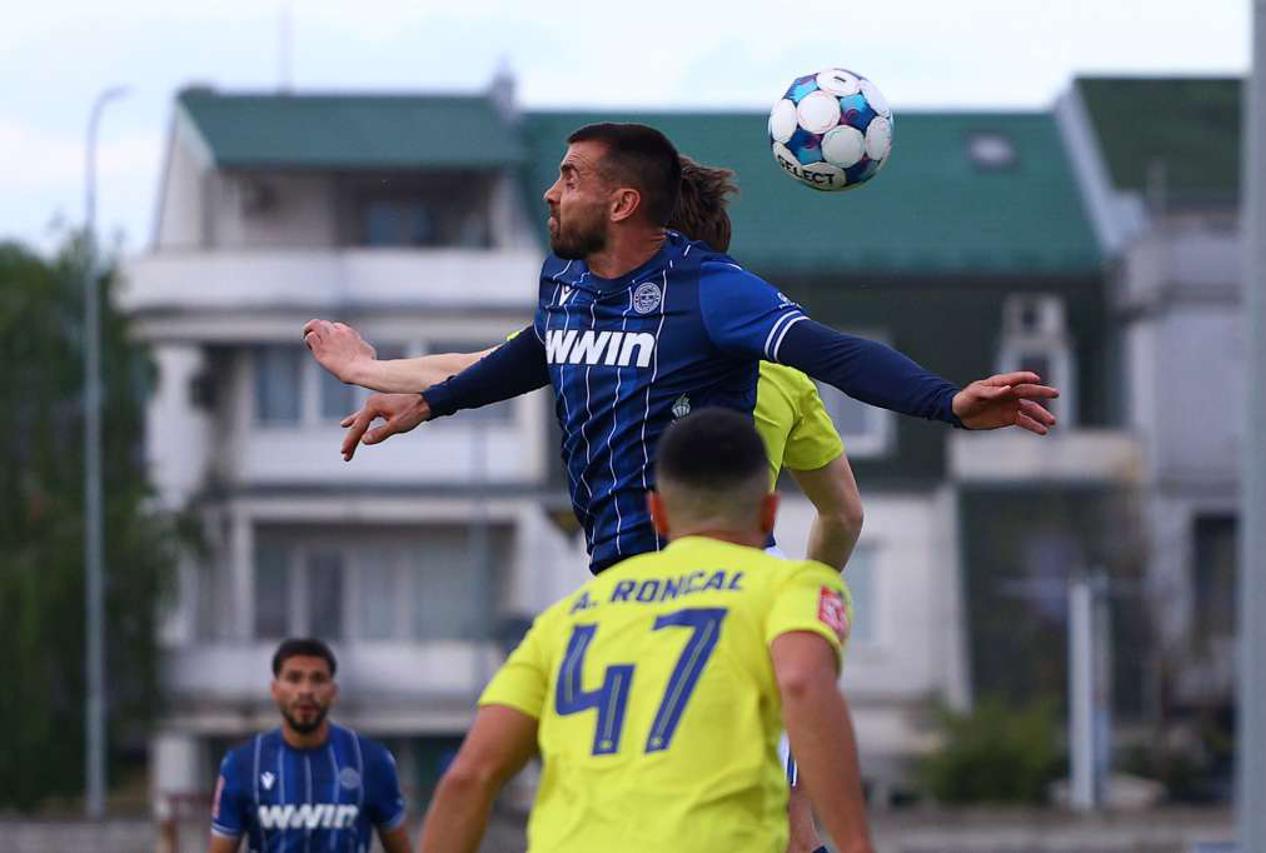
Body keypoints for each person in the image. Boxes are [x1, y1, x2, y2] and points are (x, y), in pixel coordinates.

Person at [305, 155, 859, 852]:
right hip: (739, 597)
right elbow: (844, 514)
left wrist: (367, 369)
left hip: (624, 600)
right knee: (777, 816)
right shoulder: (778, 367)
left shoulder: (603, 343)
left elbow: (485, 364)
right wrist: (801, 597)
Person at [326, 122, 1057, 577]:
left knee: (740, 784)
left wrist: (946, 403)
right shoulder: (564, 281)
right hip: (617, 573)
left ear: (622, 203)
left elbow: (830, 352)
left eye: (569, 178)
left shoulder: (711, 289)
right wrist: (428, 401)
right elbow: (533, 354)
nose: (550, 193)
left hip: (714, 574)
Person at [417, 408, 875, 853]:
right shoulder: (793, 588)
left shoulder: (570, 615)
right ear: (769, 512)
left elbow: (470, 776)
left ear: (657, 512)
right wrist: (856, 843)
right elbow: (801, 682)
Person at [209, 638, 412, 853]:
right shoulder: (242, 764)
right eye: (294, 678)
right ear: (275, 689)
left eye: (318, 679)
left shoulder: (372, 761)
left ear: (333, 691)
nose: (306, 690)